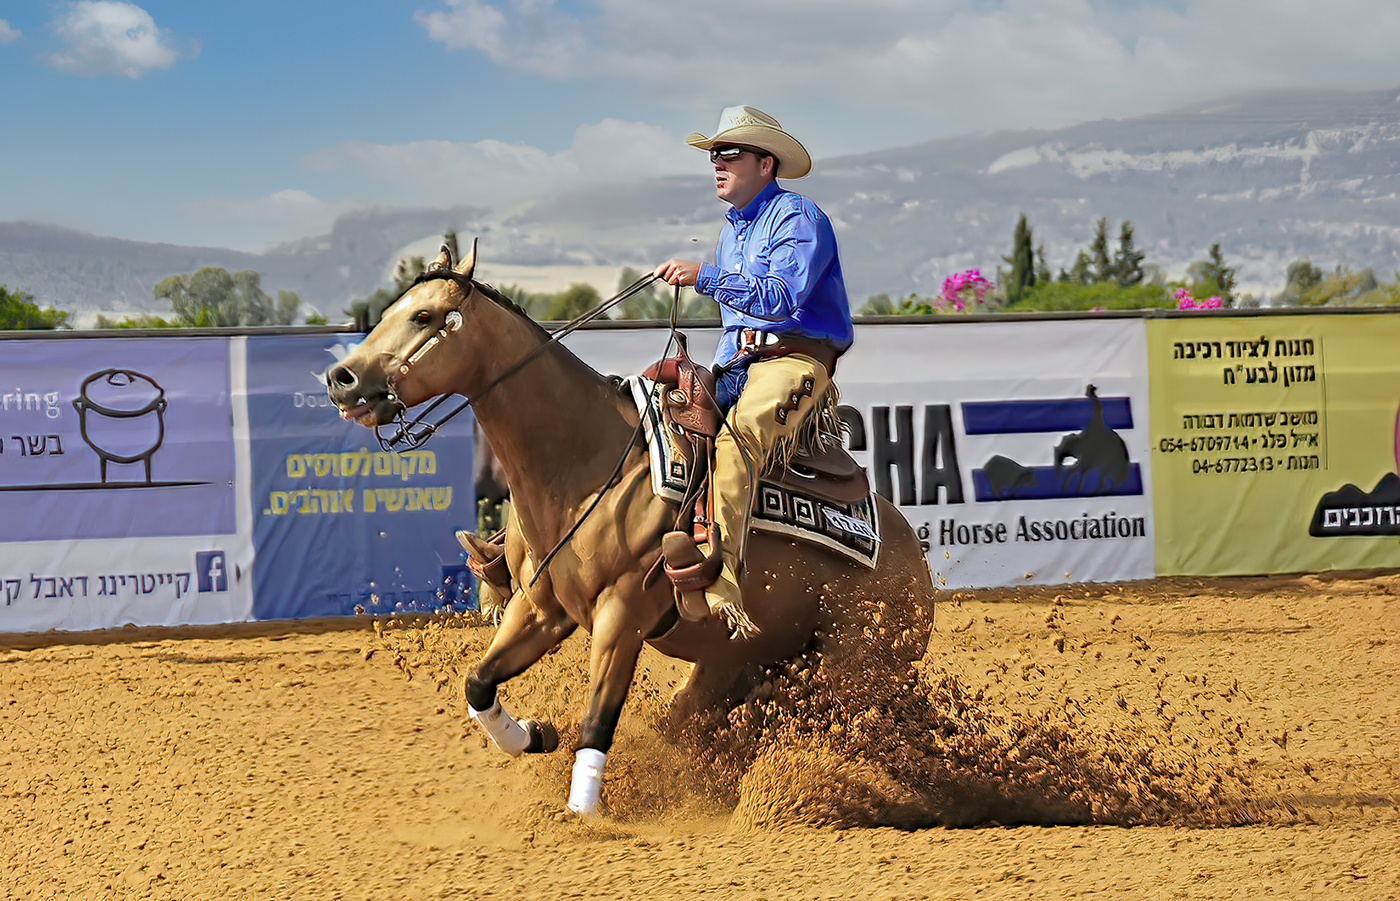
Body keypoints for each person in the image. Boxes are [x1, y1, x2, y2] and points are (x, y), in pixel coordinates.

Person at [655, 105, 853, 633]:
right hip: (741, 361)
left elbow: (784, 296)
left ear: (766, 163)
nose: (717, 164)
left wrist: (707, 277)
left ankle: (722, 580)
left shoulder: (798, 218)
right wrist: (708, 380)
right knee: (657, 423)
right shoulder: (731, 232)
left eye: (730, 154)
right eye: (714, 155)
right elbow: (732, 329)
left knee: (737, 439)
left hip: (797, 359)